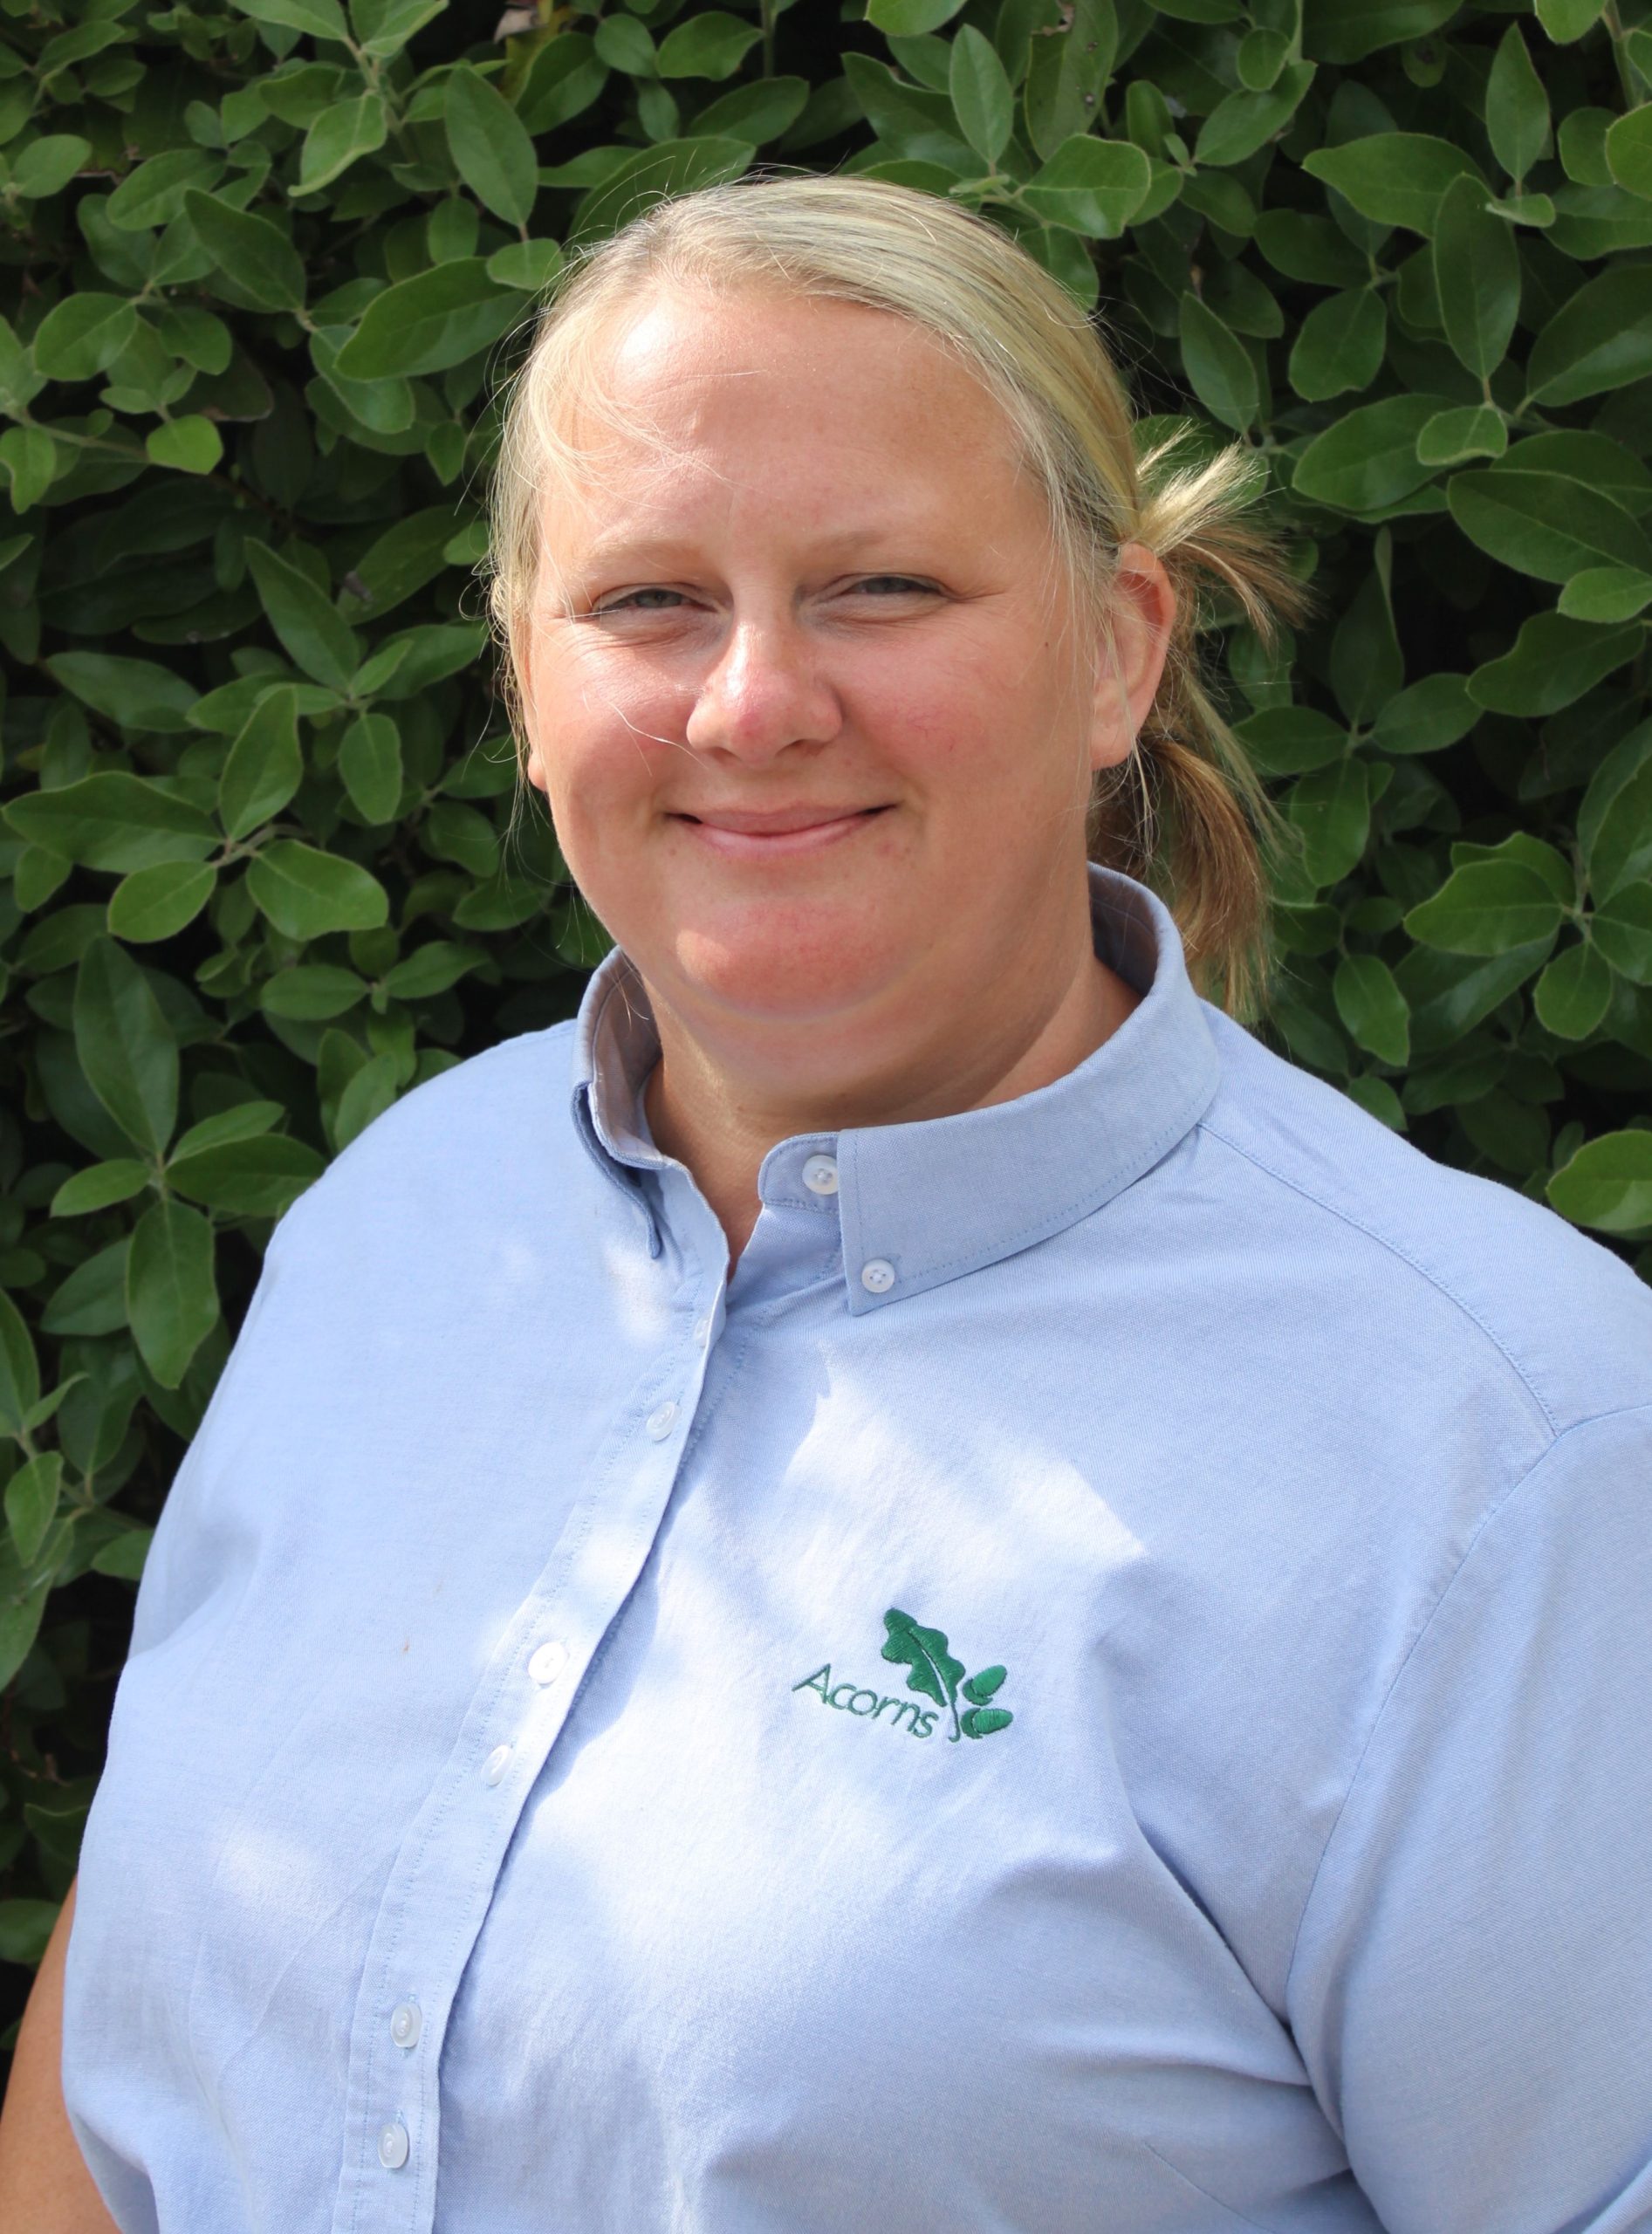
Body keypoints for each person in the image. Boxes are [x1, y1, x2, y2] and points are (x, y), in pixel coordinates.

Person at [3, 171, 1649, 2234]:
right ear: (523, 679)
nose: (753, 702)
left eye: (878, 586)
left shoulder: (1503, 1453)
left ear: (1118, 653)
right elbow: (133, 1996)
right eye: (644, 601)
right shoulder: (400, 1223)